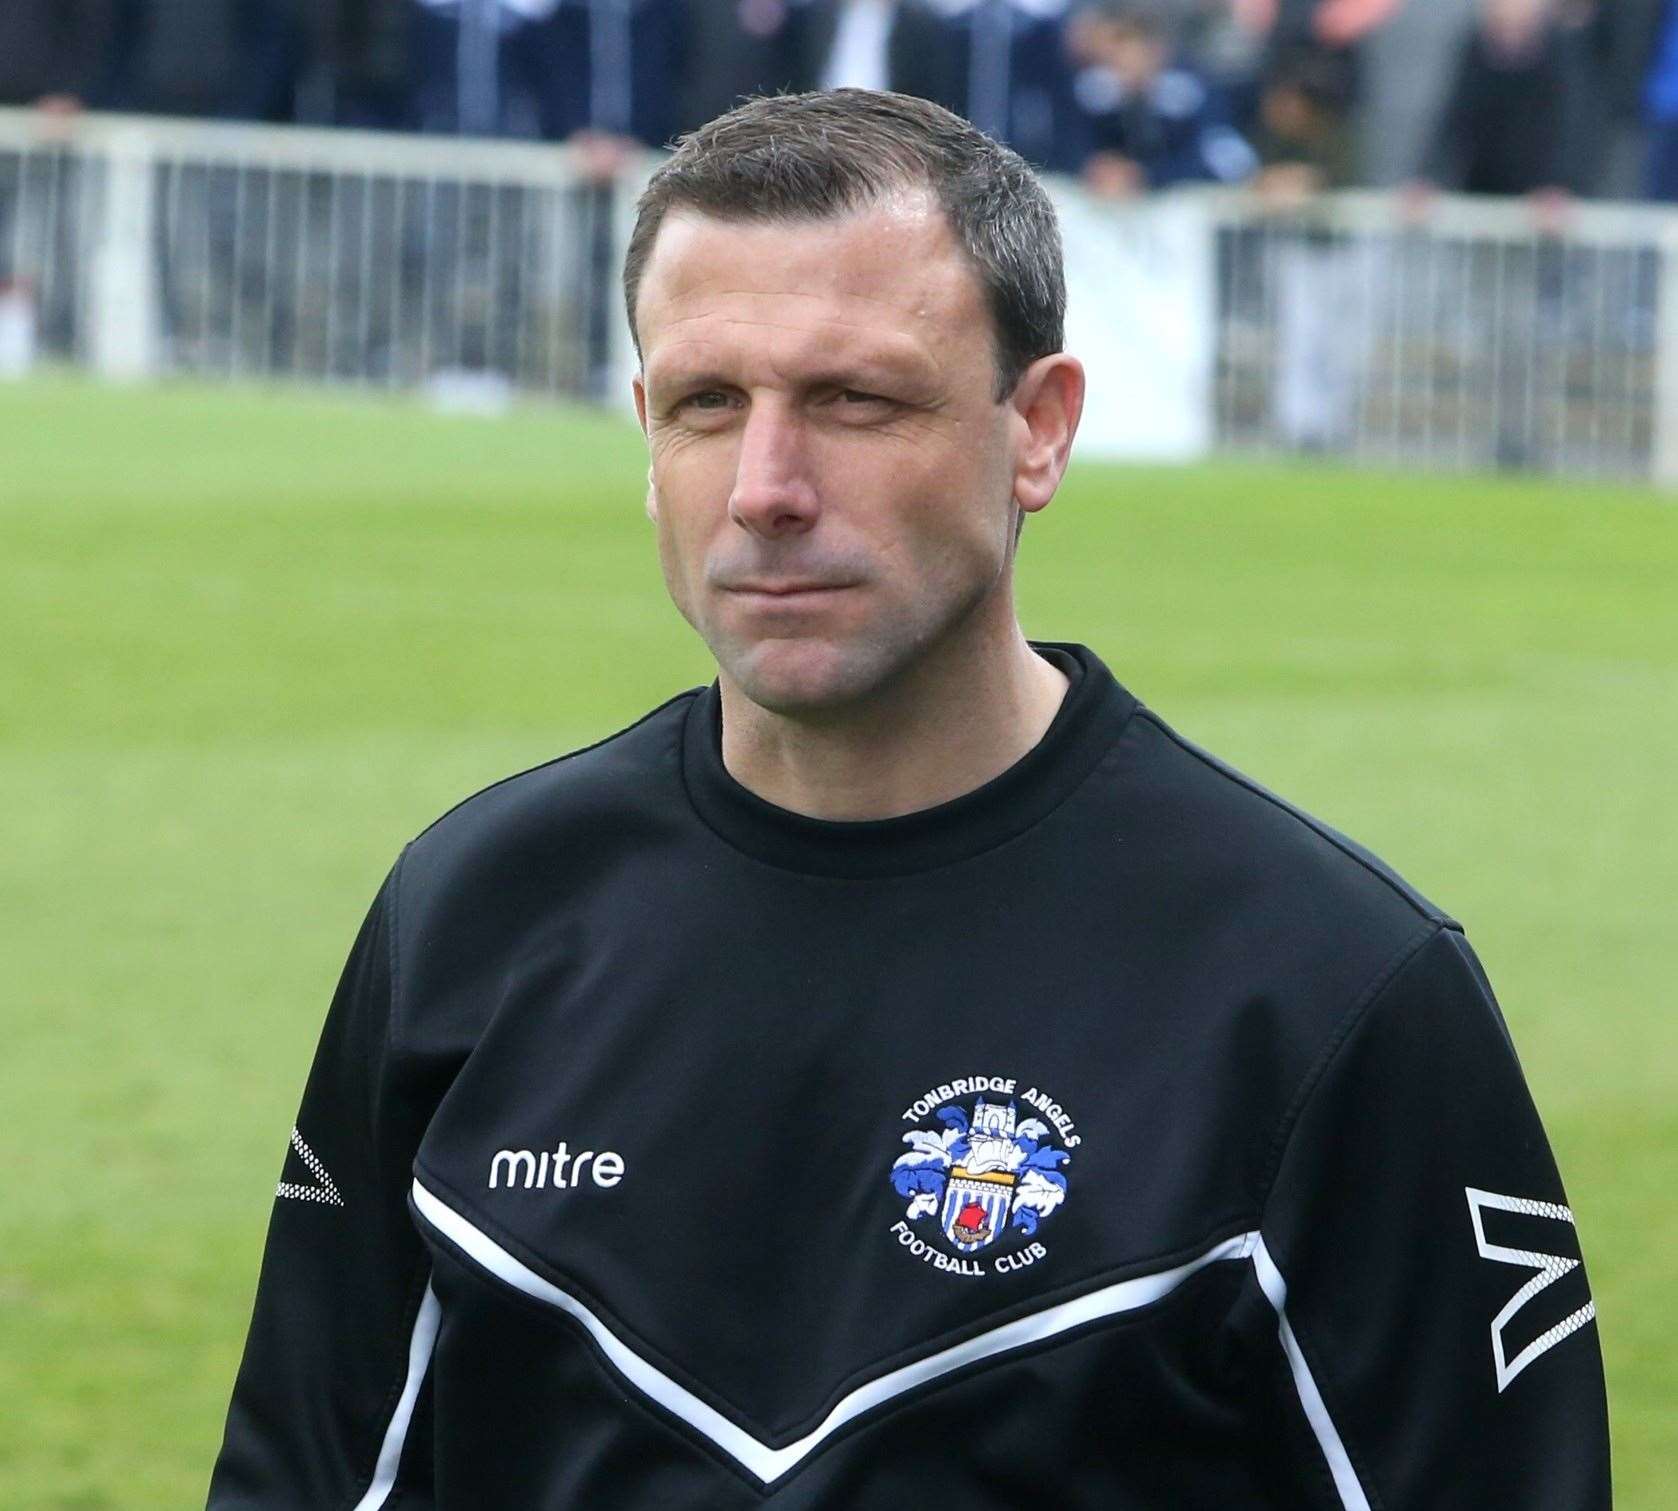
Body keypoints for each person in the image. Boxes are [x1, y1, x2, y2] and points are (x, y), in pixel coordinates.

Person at [206, 88, 1611, 1506]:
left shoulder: (1328, 986)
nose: (765, 487)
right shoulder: (471, 915)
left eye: (853, 401)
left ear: (1038, 429)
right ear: (645, 434)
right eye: (706, 406)